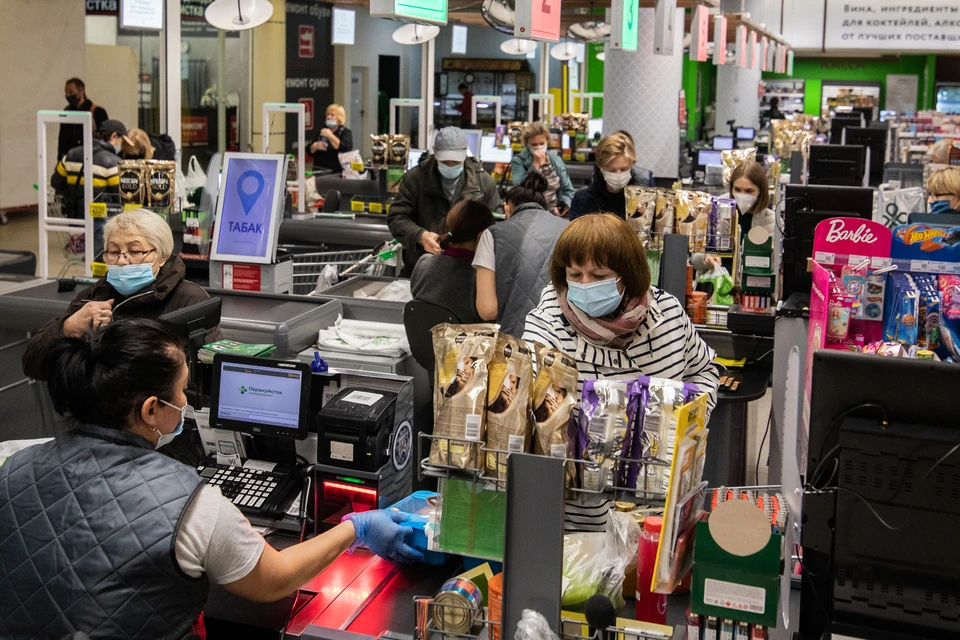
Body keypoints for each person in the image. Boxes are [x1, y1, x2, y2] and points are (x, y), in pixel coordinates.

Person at [0, 320, 422, 639]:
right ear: (151, 410)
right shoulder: (183, 499)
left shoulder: (14, 470)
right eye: (182, 392)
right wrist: (356, 527)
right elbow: (273, 579)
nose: (185, 404)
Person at [523, 214, 719, 532]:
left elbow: (704, 369)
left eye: (598, 275)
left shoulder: (667, 314)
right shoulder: (547, 328)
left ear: (627, 275)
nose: (584, 285)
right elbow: (534, 418)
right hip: (580, 522)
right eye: (575, 274)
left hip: (658, 513)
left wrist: (690, 423)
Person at [21, 209, 222, 380]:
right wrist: (68, 327)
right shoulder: (91, 298)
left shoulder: (190, 301)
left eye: (134, 251)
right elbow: (33, 366)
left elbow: (210, 376)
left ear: (161, 256)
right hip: (94, 416)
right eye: (114, 251)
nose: (122, 261)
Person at [388, 127, 501, 276]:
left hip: (468, 271)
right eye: (444, 161)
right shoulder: (415, 179)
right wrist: (420, 236)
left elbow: (498, 225)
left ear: (465, 152)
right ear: (434, 151)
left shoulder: (483, 183)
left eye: (455, 161)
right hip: (422, 269)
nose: (450, 165)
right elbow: (397, 217)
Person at [474, 172, 568, 337]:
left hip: (513, 343)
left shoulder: (493, 234)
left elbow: (487, 311)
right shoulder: (569, 229)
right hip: (562, 340)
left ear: (507, 208)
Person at [411, 200, 495, 323]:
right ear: (481, 237)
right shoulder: (482, 280)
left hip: (424, 341)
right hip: (467, 342)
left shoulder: (422, 264)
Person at [691, 160, 776, 272]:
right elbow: (694, 260)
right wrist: (706, 258)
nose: (742, 195)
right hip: (716, 285)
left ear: (761, 191)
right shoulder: (714, 209)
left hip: (751, 287)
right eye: (737, 189)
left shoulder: (772, 221)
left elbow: (774, 267)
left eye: (749, 191)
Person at [568, 133, 653, 220]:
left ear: (631, 165)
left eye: (623, 169)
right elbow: (574, 233)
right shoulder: (583, 200)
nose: (619, 175)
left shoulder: (644, 198)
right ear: (601, 168)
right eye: (612, 170)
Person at [510, 121, 575, 215]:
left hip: (554, 214)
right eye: (534, 145)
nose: (538, 147)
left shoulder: (555, 160)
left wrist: (562, 206)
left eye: (541, 143)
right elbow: (520, 188)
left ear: (547, 141)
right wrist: (535, 164)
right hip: (528, 213)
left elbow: (567, 189)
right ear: (527, 144)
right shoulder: (518, 161)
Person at [58, 77, 110, 160]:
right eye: (66, 93)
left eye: (71, 92)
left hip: (91, 158)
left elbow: (106, 138)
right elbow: (62, 138)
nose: (68, 95)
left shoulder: (97, 112)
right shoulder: (67, 111)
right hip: (69, 159)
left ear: (81, 91)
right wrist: (59, 159)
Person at [310, 103, 354, 174]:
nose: (329, 117)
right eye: (328, 114)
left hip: (337, 172)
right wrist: (315, 146)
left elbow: (345, 148)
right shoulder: (322, 131)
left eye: (332, 115)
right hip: (319, 170)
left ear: (339, 118)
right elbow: (309, 151)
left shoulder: (345, 132)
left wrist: (330, 136)